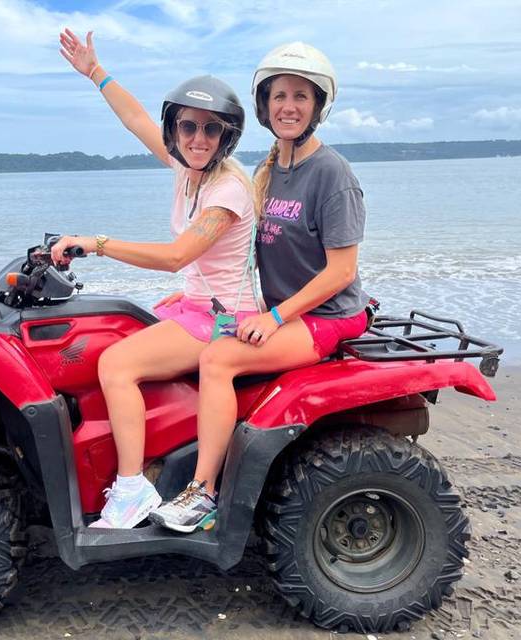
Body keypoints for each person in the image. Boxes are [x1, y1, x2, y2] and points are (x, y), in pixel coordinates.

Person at [149, 42, 371, 533]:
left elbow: (340, 272)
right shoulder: (272, 169)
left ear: (318, 107)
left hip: (328, 316)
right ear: (264, 105)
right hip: (285, 310)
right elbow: (246, 254)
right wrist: (194, 292)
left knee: (218, 358)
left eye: (300, 97)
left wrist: (274, 317)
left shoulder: (332, 174)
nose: (288, 106)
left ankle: (202, 492)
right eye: (278, 96)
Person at [52, 29, 260, 529]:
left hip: (225, 321)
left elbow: (176, 255)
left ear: (225, 137)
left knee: (117, 364)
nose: (197, 138)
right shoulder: (188, 169)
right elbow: (135, 120)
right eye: (188, 126)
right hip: (197, 305)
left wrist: (95, 243)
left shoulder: (227, 189)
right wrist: (94, 72)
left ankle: (131, 490)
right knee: (112, 328)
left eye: (211, 130)